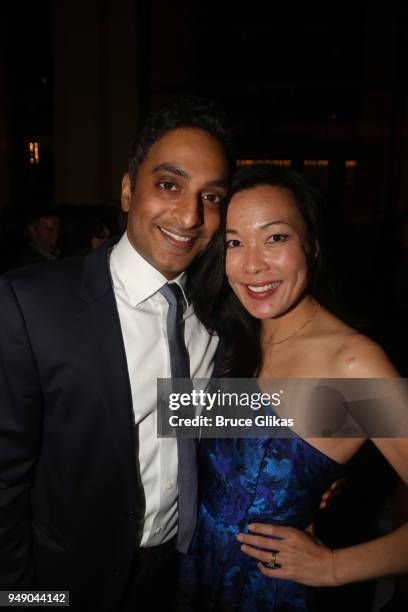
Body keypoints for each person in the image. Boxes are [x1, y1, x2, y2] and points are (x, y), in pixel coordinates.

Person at [0, 98, 231, 611]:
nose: (190, 215)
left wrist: (325, 454)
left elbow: (222, 416)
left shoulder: (222, 315)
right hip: (63, 584)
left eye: (211, 197)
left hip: (179, 580)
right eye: (168, 185)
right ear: (129, 190)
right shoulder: (29, 304)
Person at [178, 164, 408, 611]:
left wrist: (336, 567)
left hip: (265, 594)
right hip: (189, 580)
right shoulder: (230, 333)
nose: (252, 264)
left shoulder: (352, 364)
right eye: (234, 242)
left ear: (314, 246)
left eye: (276, 237)